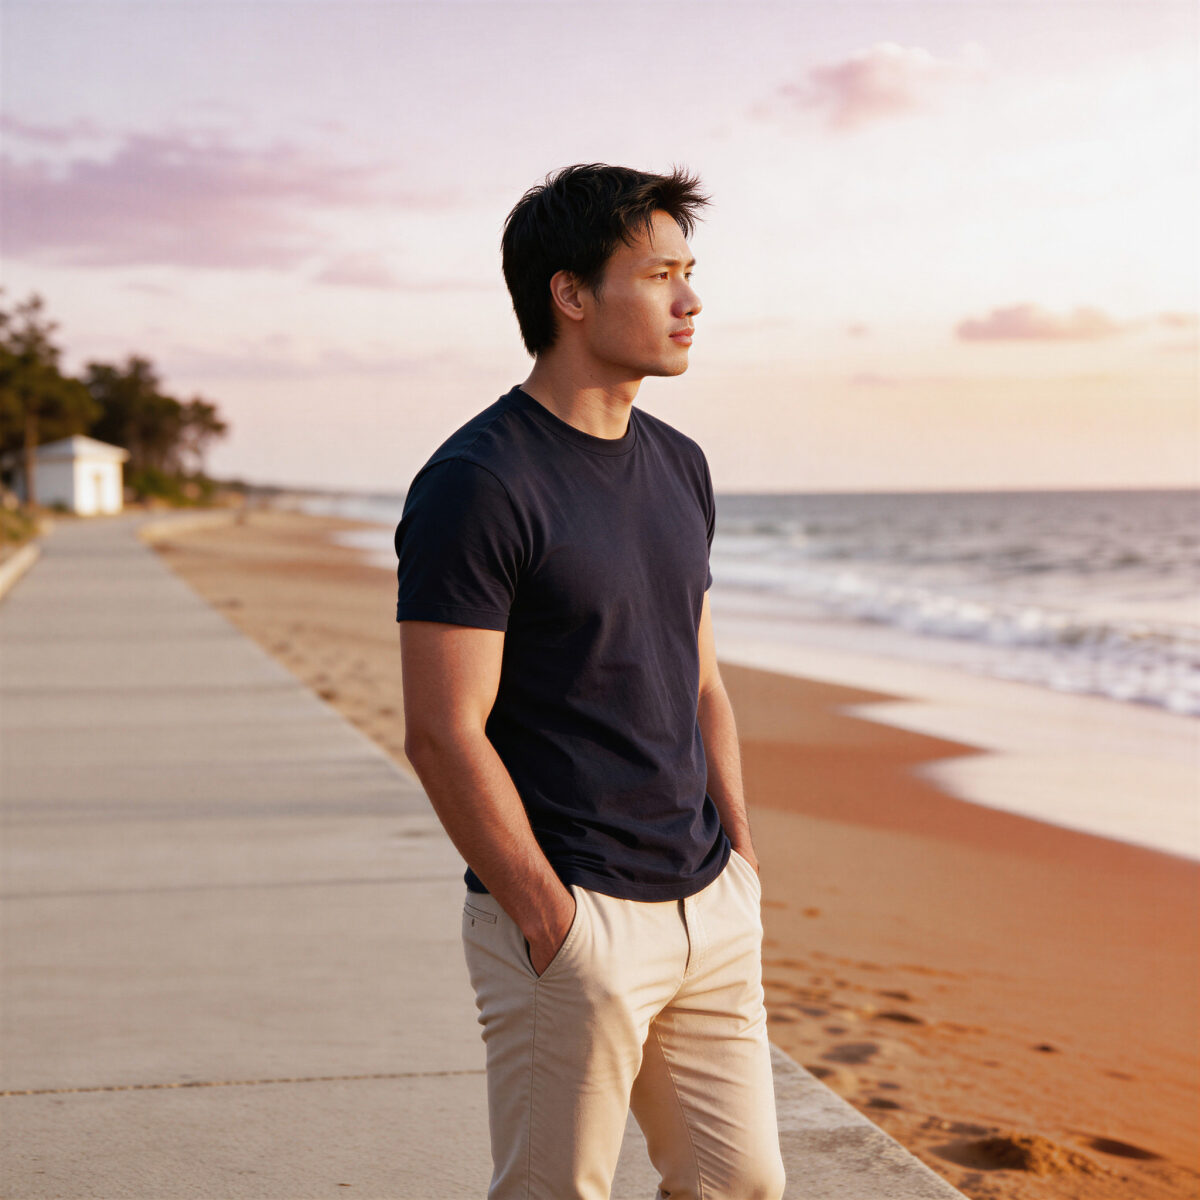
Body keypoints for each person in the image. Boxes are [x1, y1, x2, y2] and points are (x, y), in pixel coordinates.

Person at [394, 163, 786, 1200]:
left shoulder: (681, 464)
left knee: (740, 1183)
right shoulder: (480, 483)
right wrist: (548, 920)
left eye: (690, 273)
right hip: (574, 917)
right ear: (570, 294)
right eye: (660, 274)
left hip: (705, 901)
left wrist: (737, 858)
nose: (691, 301)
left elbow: (699, 681)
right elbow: (442, 730)